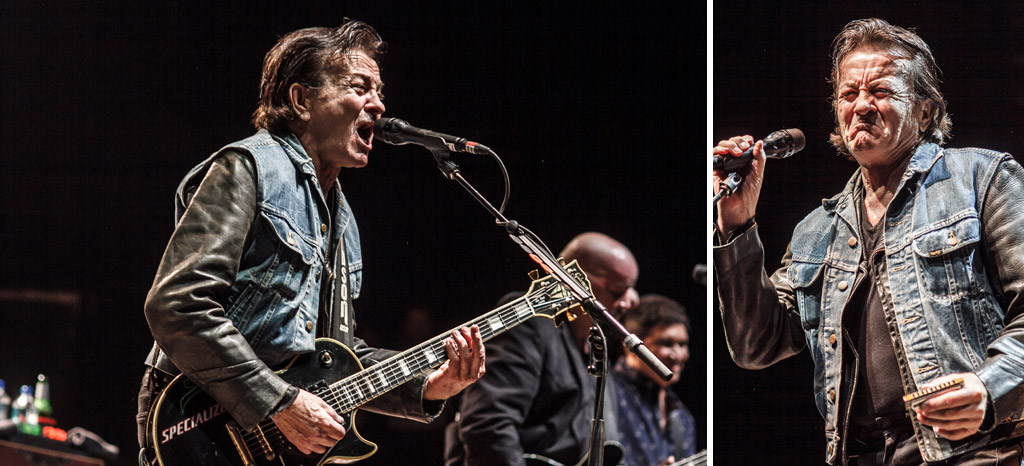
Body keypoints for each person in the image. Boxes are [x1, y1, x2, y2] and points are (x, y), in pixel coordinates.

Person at [136, 20, 485, 460]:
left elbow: (335, 355)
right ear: (301, 99)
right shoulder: (247, 168)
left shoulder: (343, 219)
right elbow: (177, 305)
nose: (378, 105)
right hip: (198, 426)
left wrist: (429, 386)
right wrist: (278, 401)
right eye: (360, 87)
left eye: (380, 92)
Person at [714, 18, 1024, 465]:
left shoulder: (982, 178)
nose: (861, 105)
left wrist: (991, 387)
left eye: (880, 91)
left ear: (925, 111)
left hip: (976, 452)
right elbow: (756, 345)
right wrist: (737, 226)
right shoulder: (817, 229)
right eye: (848, 94)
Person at [444, 231, 639, 466]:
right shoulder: (530, 324)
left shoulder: (597, 347)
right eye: (618, 291)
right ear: (573, 278)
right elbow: (489, 423)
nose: (629, 302)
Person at [610, 294, 695, 466]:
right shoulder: (603, 392)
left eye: (682, 344)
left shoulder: (682, 417)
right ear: (630, 346)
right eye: (666, 343)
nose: (678, 355)